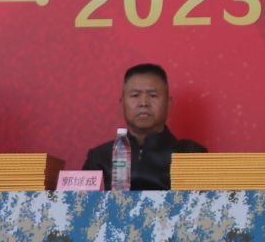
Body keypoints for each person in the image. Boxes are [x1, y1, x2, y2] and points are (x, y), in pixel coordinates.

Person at [81, 63, 207, 191]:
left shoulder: (190, 154)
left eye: (153, 95)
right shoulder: (99, 158)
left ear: (168, 104)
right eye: (135, 95)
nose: (143, 103)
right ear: (122, 104)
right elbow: (82, 202)